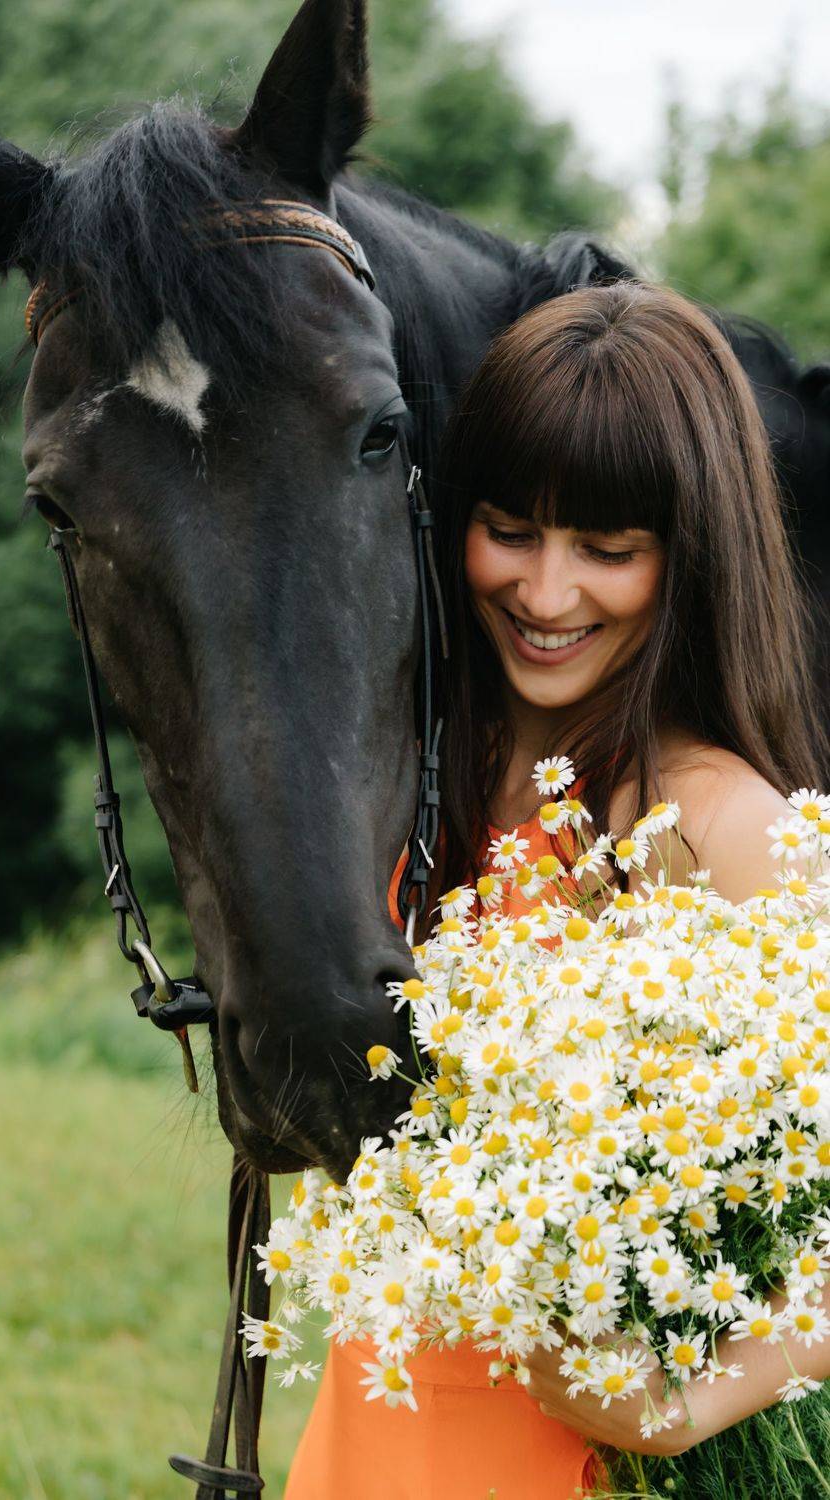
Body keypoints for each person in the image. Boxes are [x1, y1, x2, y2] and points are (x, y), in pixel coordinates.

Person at [284, 281, 828, 1499]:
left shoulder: (721, 825)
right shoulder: (414, 782)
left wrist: (683, 1403)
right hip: (369, 1442)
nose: (544, 593)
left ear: (691, 557)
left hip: (572, 1468)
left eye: (607, 550)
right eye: (510, 530)